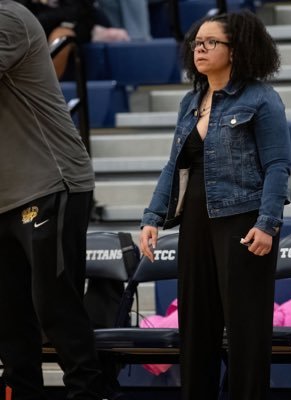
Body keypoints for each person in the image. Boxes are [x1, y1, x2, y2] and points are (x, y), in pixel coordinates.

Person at [139, 9, 291, 400]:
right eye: (196, 42)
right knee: (196, 323)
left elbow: (278, 165)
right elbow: (175, 165)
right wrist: (152, 217)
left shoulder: (261, 98)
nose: (199, 49)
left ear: (236, 50)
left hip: (243, 220)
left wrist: (268, 223)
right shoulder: (190, 101)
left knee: (245, 328)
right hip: (195, 220)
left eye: (211, 43)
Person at [0, 1, 107, 399]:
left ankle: (89, 393)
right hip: (5, 194)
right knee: (10, 321)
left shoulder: (8, 16)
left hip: (50, 182)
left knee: (56, 310)